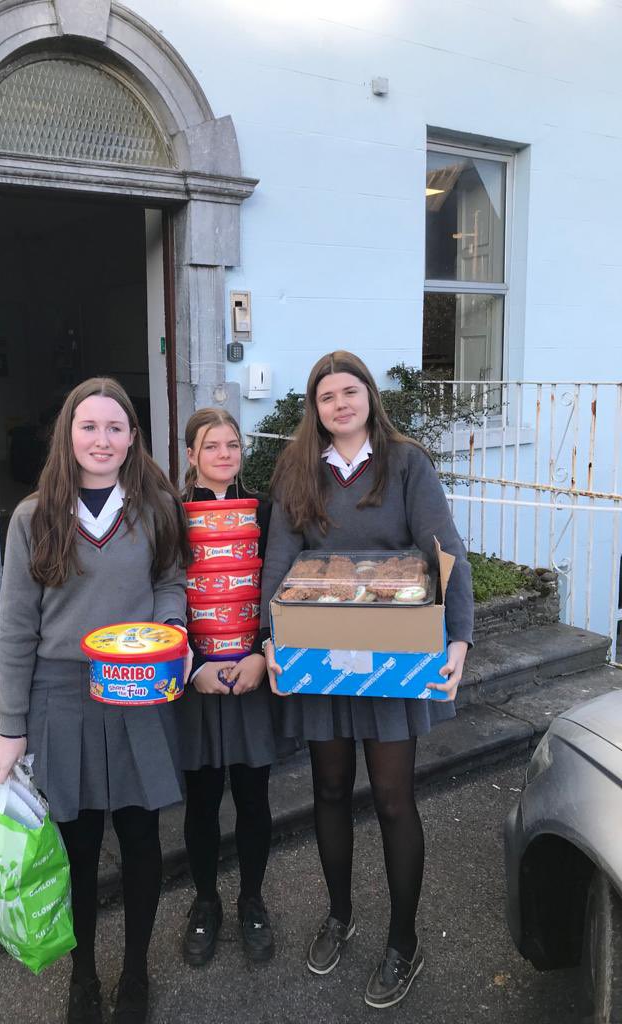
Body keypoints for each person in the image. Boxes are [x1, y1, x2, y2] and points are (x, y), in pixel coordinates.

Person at [260, 351, 473, 1009]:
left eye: (349, 392)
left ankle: (404, 941)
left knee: (392, 797)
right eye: (327, 397)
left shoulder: (406, 463)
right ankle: (340, 914)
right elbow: (280, 558)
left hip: (392, 655)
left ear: (369, 397)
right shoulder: (298, 468)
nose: (340, 405)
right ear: (315, 408)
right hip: (320, 654)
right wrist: (271, 637)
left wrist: (459, 637)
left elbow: (446, 551)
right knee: (328, 790)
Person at [0, 378, 191, 1024]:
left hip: (138, 685)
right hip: (61, 694)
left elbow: (171, 581)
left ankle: (134, 973)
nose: (101, 439)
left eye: (114, 427)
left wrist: (171, 631)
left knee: (139, 835)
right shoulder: (34, 516)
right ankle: (83, 975)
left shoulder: (156, 506)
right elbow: (16, 628)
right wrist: (10, 726)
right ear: (67, 435)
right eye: (89, 426)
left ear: (132, 437)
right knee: (76, 844)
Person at [177, 407, 284, 967]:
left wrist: (263, 655)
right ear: (191, 454)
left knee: (252, 795)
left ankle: (251, 900)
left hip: (251, 673)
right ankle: (205, 901)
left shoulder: (265, 512)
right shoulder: (170, 515)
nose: (224, 454)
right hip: (195, 678)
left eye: (233, 444)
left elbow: (280, 583)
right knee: (200, 799)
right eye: (212, 445)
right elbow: (163, 589)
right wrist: (191, 663)